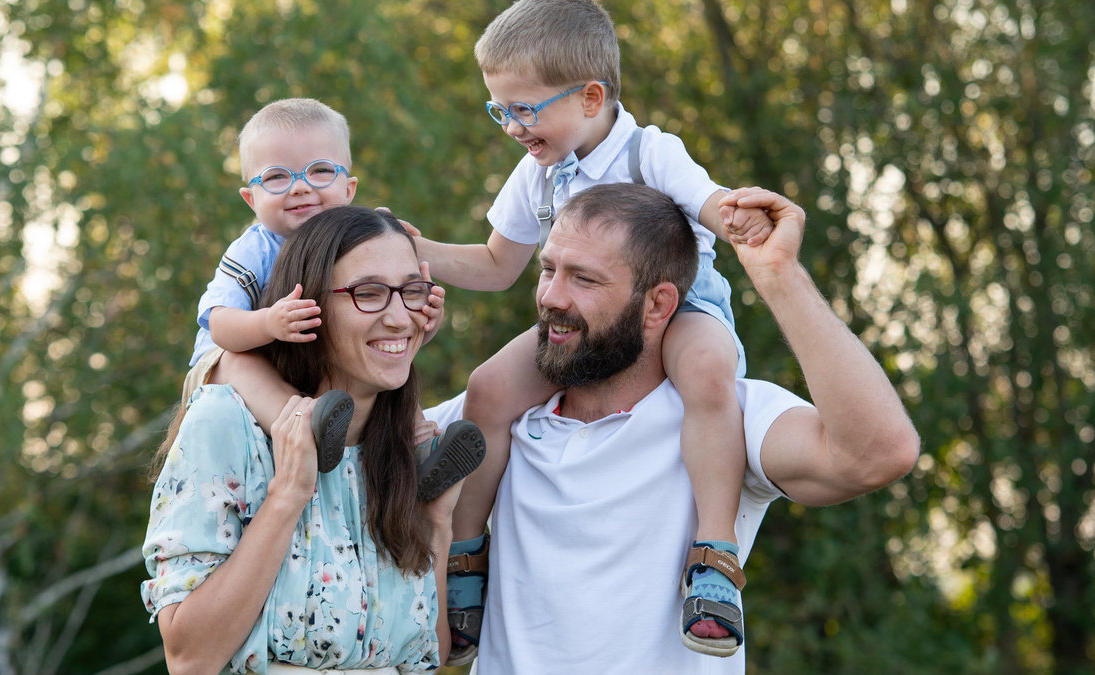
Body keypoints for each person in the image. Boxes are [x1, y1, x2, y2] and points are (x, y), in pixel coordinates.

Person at [403, 0, 774, 660]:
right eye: (500, 110)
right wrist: (412, 250)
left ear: (592, 95)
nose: (512, 126)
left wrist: (738, 218)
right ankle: (466, 557)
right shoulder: (539, 173)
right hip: (585, 324)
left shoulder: (648, 151)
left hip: (682, 311)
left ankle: (714, 558)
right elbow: (495, 264)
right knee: (487, 389)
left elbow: (707, 198)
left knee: (711, 375)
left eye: (524, 108)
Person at [423, 183, 921, 673]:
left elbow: (879, 454)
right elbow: (359, 452)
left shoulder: (725, 415)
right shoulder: (497, 414)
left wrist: (779, 277)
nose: (552, 297)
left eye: (584, 280)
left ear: (658, 306)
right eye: (548, 270)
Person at [142, 206, 471, 674]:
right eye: (370, 294)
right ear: (307, 307)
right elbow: (189, 660)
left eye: (411, 292)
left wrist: (435, 525)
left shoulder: (399, 447)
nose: (401, 319)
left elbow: (424, 659)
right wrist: (287, 497)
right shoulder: (225, 424)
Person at [184, 97, 482, 498]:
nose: (301, 187)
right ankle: (303, 429)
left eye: (320, 171)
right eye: (276, 178)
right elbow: (219, 324)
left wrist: (424, 314)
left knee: (386, 350)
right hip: (231, 357)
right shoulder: (253, 251)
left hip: (305, 357)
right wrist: (268, 323)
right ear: (250, 199)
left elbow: (380, 321)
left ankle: (420, 445)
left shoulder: (358, 242)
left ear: (349, 187)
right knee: (242, 363)